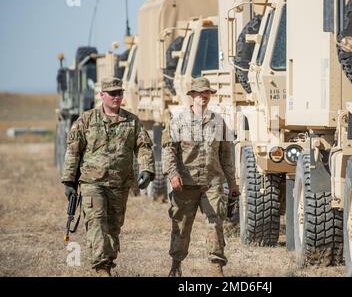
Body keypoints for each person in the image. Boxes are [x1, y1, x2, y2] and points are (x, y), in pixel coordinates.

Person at [61, 77, 155, 277]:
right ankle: (101, 267)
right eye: (112, 93)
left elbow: (144, 147)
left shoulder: (132, 121)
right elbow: (73, 151)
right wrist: (69, 180)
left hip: (119, 184)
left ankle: (108, 263)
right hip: (92, 182)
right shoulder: (86, 120)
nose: (117, 97)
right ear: (101, 95)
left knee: (113, 227)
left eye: (119, 93)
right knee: (96, 221)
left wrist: (146, 170)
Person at [162, 77, 240, 277]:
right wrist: (172, 174)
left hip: (211, 183)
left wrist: (232, 183)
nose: (204, 96)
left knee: (215, 222)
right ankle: (176, 264)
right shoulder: (178, 121)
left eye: (207, 93)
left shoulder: (219, 122)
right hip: (185, 185)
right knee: (181, 225)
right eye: (199, 93)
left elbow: (226, 155)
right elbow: (168, 151)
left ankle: (216, 266)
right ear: (192, 96)